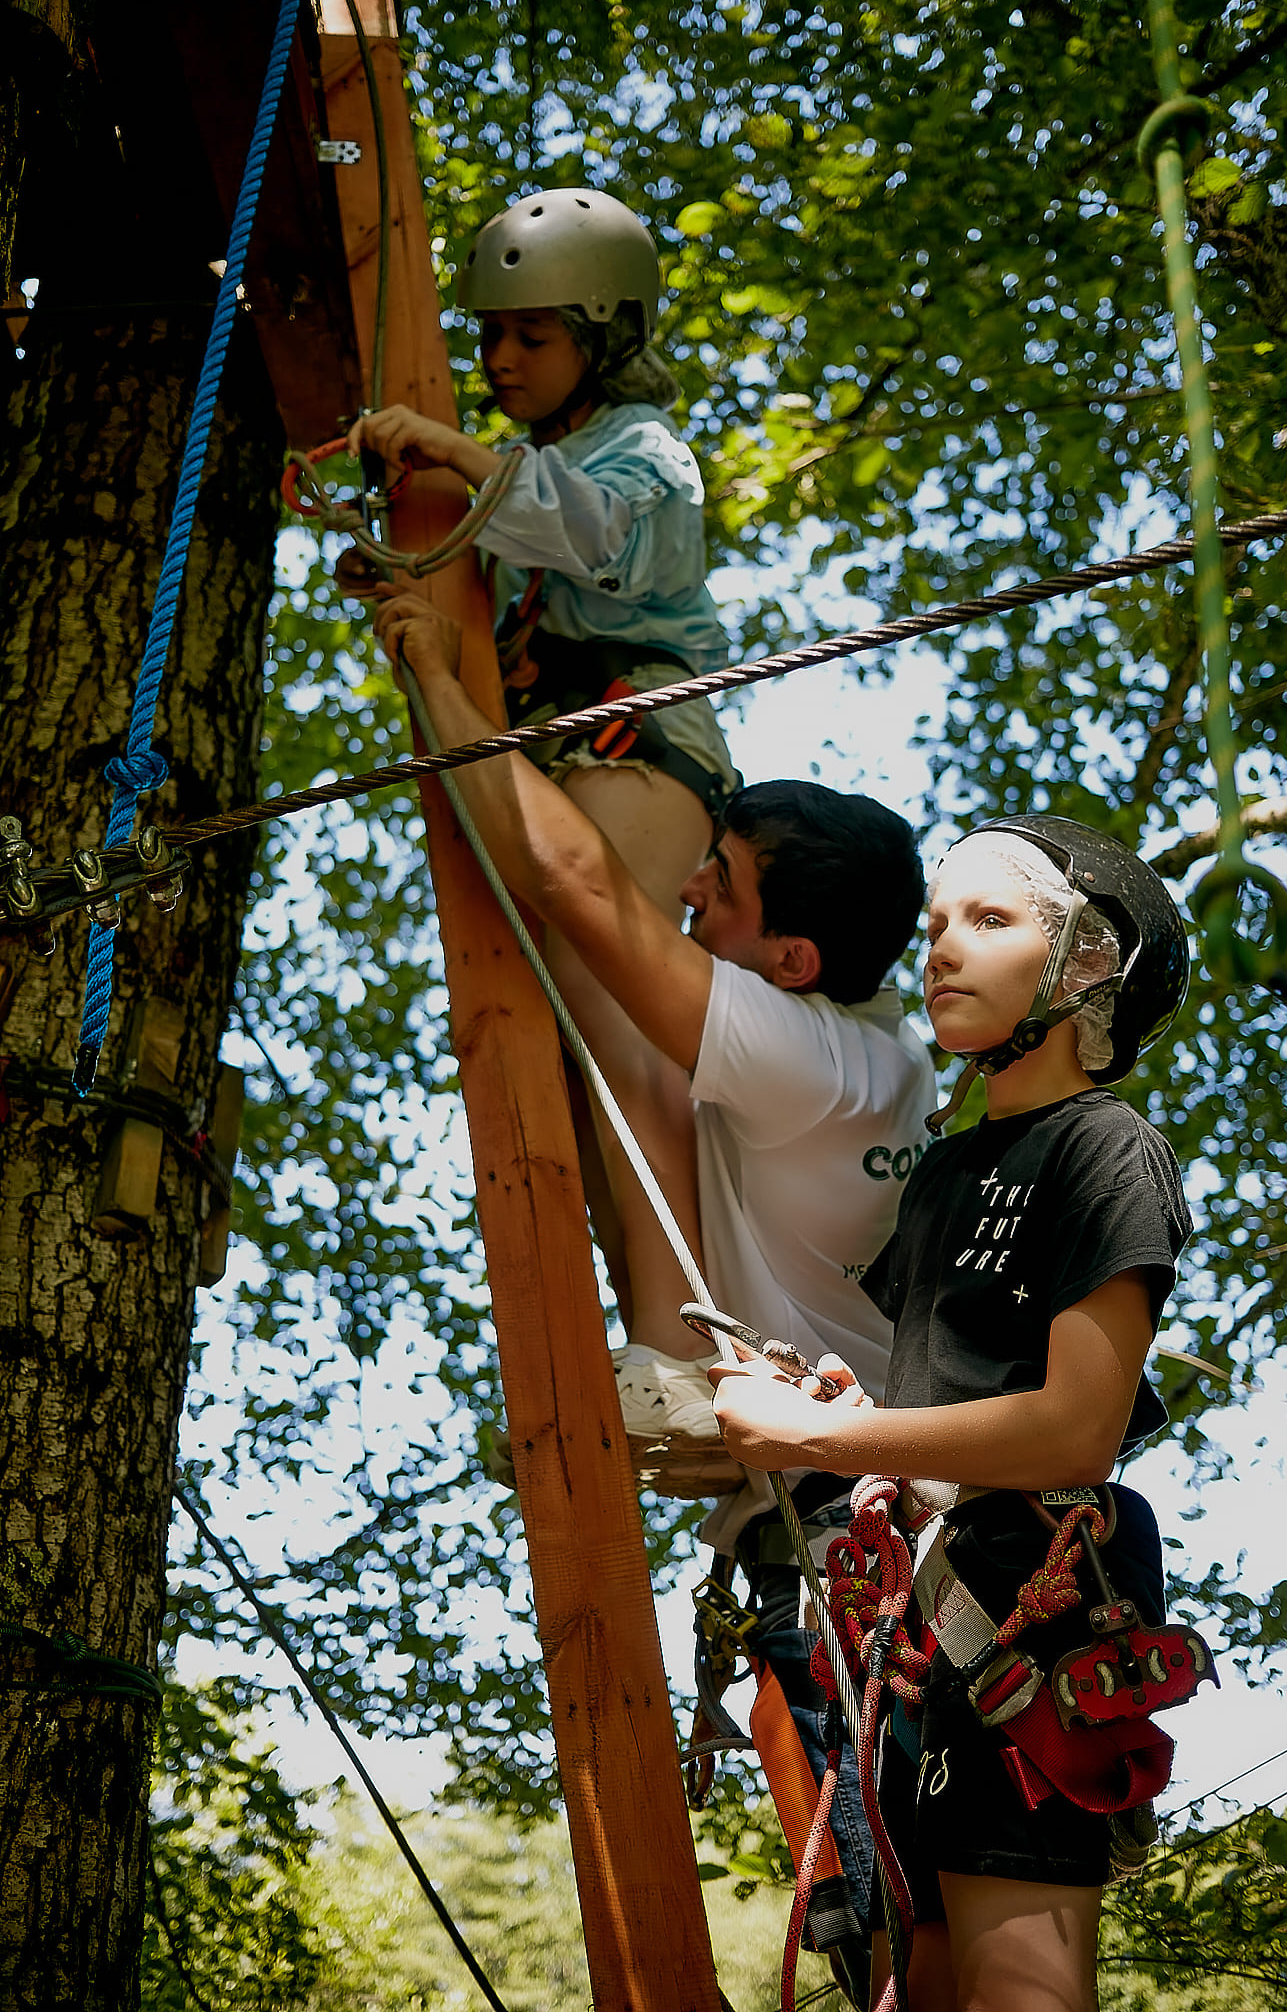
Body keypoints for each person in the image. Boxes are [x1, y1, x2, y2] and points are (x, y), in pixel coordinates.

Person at [368, 586, 939, 1995]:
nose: (689, 890)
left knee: (900, 1936)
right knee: (880, 1918)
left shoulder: (809, 1060)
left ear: (790, 960)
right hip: (826, 1532)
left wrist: (441, 683)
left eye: (719, 887)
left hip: (846, 1551)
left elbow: (576, 885)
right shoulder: (868, 1045)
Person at [710, 816, 1193, 2012]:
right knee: (918, 1985)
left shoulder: (1104, 1147)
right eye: (934, 926)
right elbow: (949, 1406)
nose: (940, 949)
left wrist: (828, 1440)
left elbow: (1077, 1427)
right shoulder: (941, 1177)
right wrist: (852, 1412)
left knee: (1018, 1976)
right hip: (923, 1620)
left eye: (989, 920)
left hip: (1036, 1597)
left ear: (1088, 966)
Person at [349, 187, 739, 1409]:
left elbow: (606, 535)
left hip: (642, 741)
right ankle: (653, 1346)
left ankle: (689, 1351)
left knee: (615, 1032)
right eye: (493, 335)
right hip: (569, 748)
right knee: (575, 1074)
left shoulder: (639, 452)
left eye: (535, 334)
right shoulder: (549, 461)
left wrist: (462, 456)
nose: (503, 359)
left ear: (604, 337)